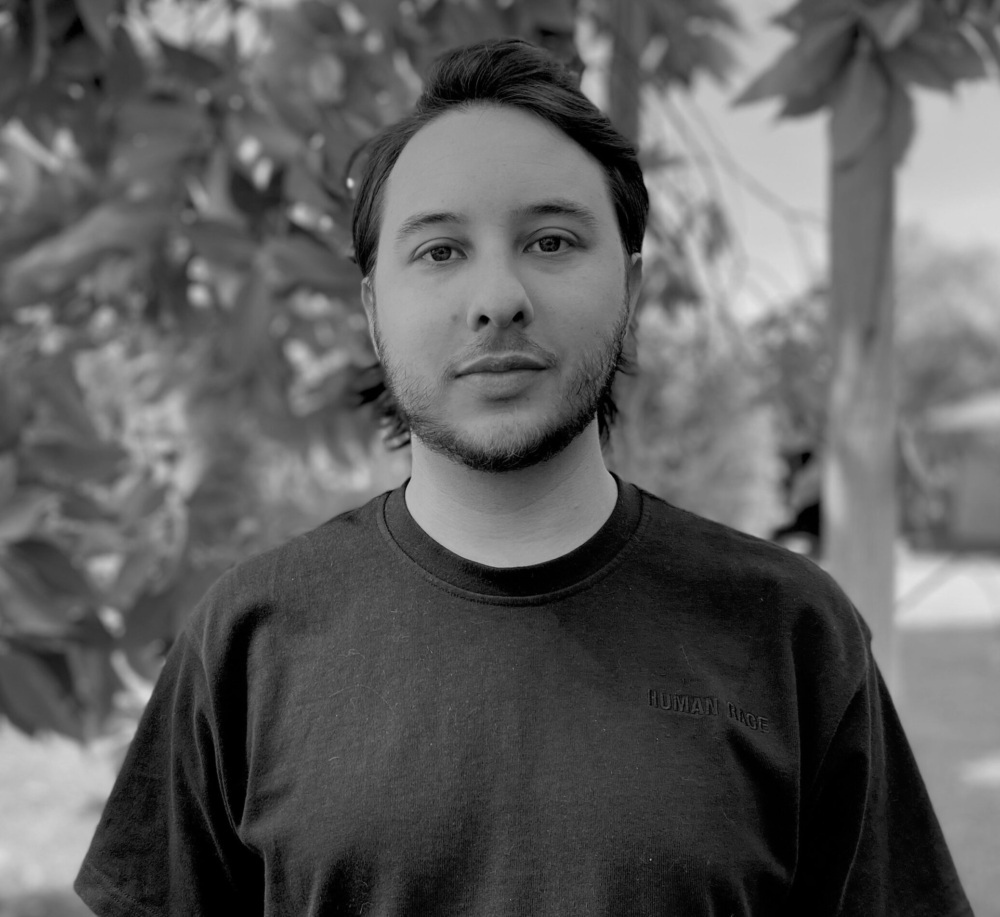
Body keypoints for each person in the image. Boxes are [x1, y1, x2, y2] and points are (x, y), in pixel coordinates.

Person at [75, 38, 972, 917]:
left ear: (631, 295)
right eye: (438, 251)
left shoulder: (789, 631)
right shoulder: (248, 639)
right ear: (373, 312)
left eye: (550, 241)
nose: (497, 296)